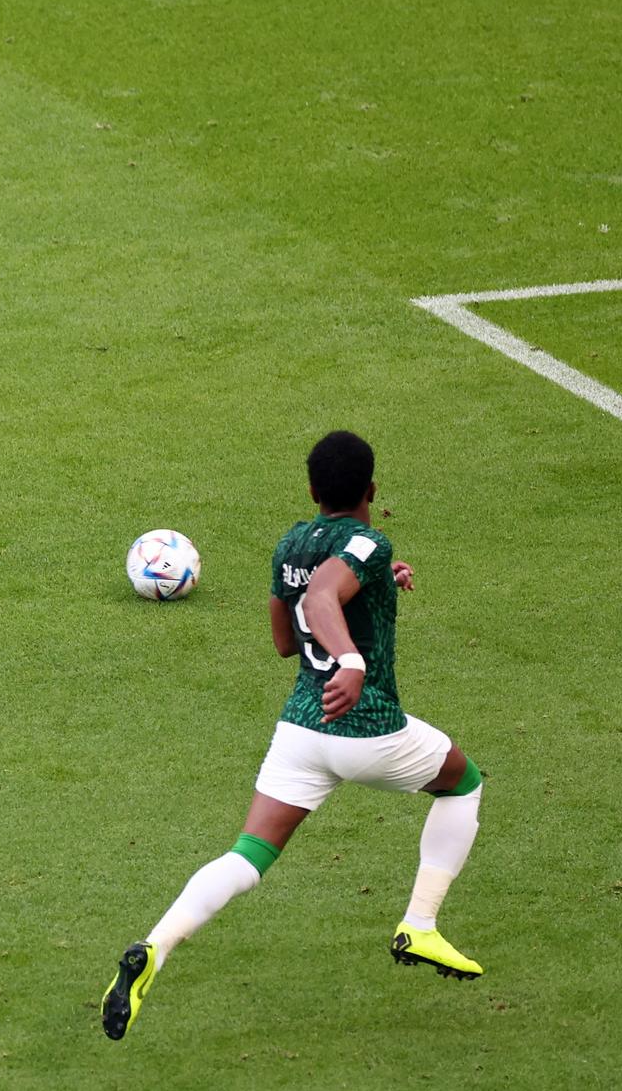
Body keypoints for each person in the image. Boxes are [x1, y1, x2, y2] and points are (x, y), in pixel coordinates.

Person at [101, 430, 485, 1040]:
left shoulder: (291, 543)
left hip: (301, 729)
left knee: (247, 855)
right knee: (463, 782)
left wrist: (384, 580)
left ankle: (155, 947)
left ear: (311, 490)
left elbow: (287, 639)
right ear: (372, 489)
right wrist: (352, 663)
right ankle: (420, 925)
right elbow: (325, 591)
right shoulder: (368, 539)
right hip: (365, 727)